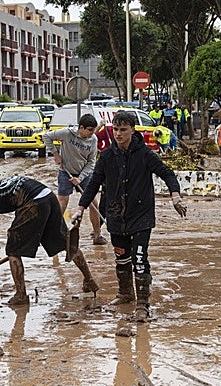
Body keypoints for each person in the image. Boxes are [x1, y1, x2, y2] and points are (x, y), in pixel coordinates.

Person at [72, 111, 186, 323]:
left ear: (133, 130)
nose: (118, 134)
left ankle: (143, 304)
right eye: (115, 129)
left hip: (141, 215)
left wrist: (175, 197)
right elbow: (94, 183)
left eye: (123, 130)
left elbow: (167, 173)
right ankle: (125, 293)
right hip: (115, 215)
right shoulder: (106, 157)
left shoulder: (145, 155)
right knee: (121, 256)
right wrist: (80, 209)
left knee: (140, 259)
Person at [0, 175, 98, 306]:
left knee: (13, 250)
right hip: (48, 195)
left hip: (34, 202)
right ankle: (89, 279)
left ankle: (21, 295)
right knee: (65, 243)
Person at [43, 113, 105, 245]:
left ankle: (97, 235)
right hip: (66, 173)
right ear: (81, 127)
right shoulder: (67, 134)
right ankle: (53, 235)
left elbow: (91, 163)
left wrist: (80, 178)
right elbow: (47, 136)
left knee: (93, 204)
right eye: (89, 130)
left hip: (85, 175)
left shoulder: (93, 139)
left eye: (93, 130)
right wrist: (55, 154)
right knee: (62, 202)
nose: (92, 133)